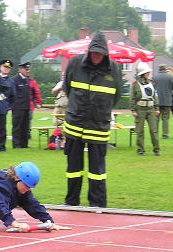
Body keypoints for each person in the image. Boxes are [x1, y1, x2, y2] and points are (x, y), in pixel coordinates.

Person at [62, 31, 123, 208]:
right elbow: (67, 88)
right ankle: (72, 202)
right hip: (75, 125)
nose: (96, 56)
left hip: (98, 128)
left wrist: (101, 110)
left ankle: (97, 204)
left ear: (105, 54)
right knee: (73, 169)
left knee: (97, 172)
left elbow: (116, 96)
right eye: (94, 53)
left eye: (100, 53)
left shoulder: (114, 70)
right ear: (88, 52)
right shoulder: (75, 64)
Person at [130, 62, 160, 156]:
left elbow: (155, 96)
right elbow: (132, 98)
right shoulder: (135, 85)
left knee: (153, 130)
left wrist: (157, 108)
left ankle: (156, 149)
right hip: (140, 109)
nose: (148, 74)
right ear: (142, 74)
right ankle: (140, 150)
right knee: (139, 131)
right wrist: (133, 110)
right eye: (147, 73)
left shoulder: (152, 83)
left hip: (151, 108)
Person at [12, 62, 33, 149]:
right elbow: (13, 94)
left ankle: (24, 144)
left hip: (26, 107)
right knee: (17, 126)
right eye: (26, 69)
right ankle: (16, 144)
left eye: (28, 69)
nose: (28, 71)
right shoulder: (15, 80)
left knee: (25, 126)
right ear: (20, 70)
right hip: (18, 107)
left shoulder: (27, 80)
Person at [0, 59, 15, 152]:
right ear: (0, 67)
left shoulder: (11, 82)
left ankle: (1, 146)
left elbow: (13, 96)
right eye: (4, 67)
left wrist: (8, 106)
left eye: (8, 68)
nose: (6, 69)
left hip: (2, 107)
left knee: (2, 128)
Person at [153, 64, 173, 139]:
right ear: (165, 69)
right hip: (167, 101)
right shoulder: (171, 77)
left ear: (159, 69)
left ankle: (155, 133)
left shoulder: (154, 77)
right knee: (165, 118)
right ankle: (165, 134)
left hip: (157, 101)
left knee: (156, 119)